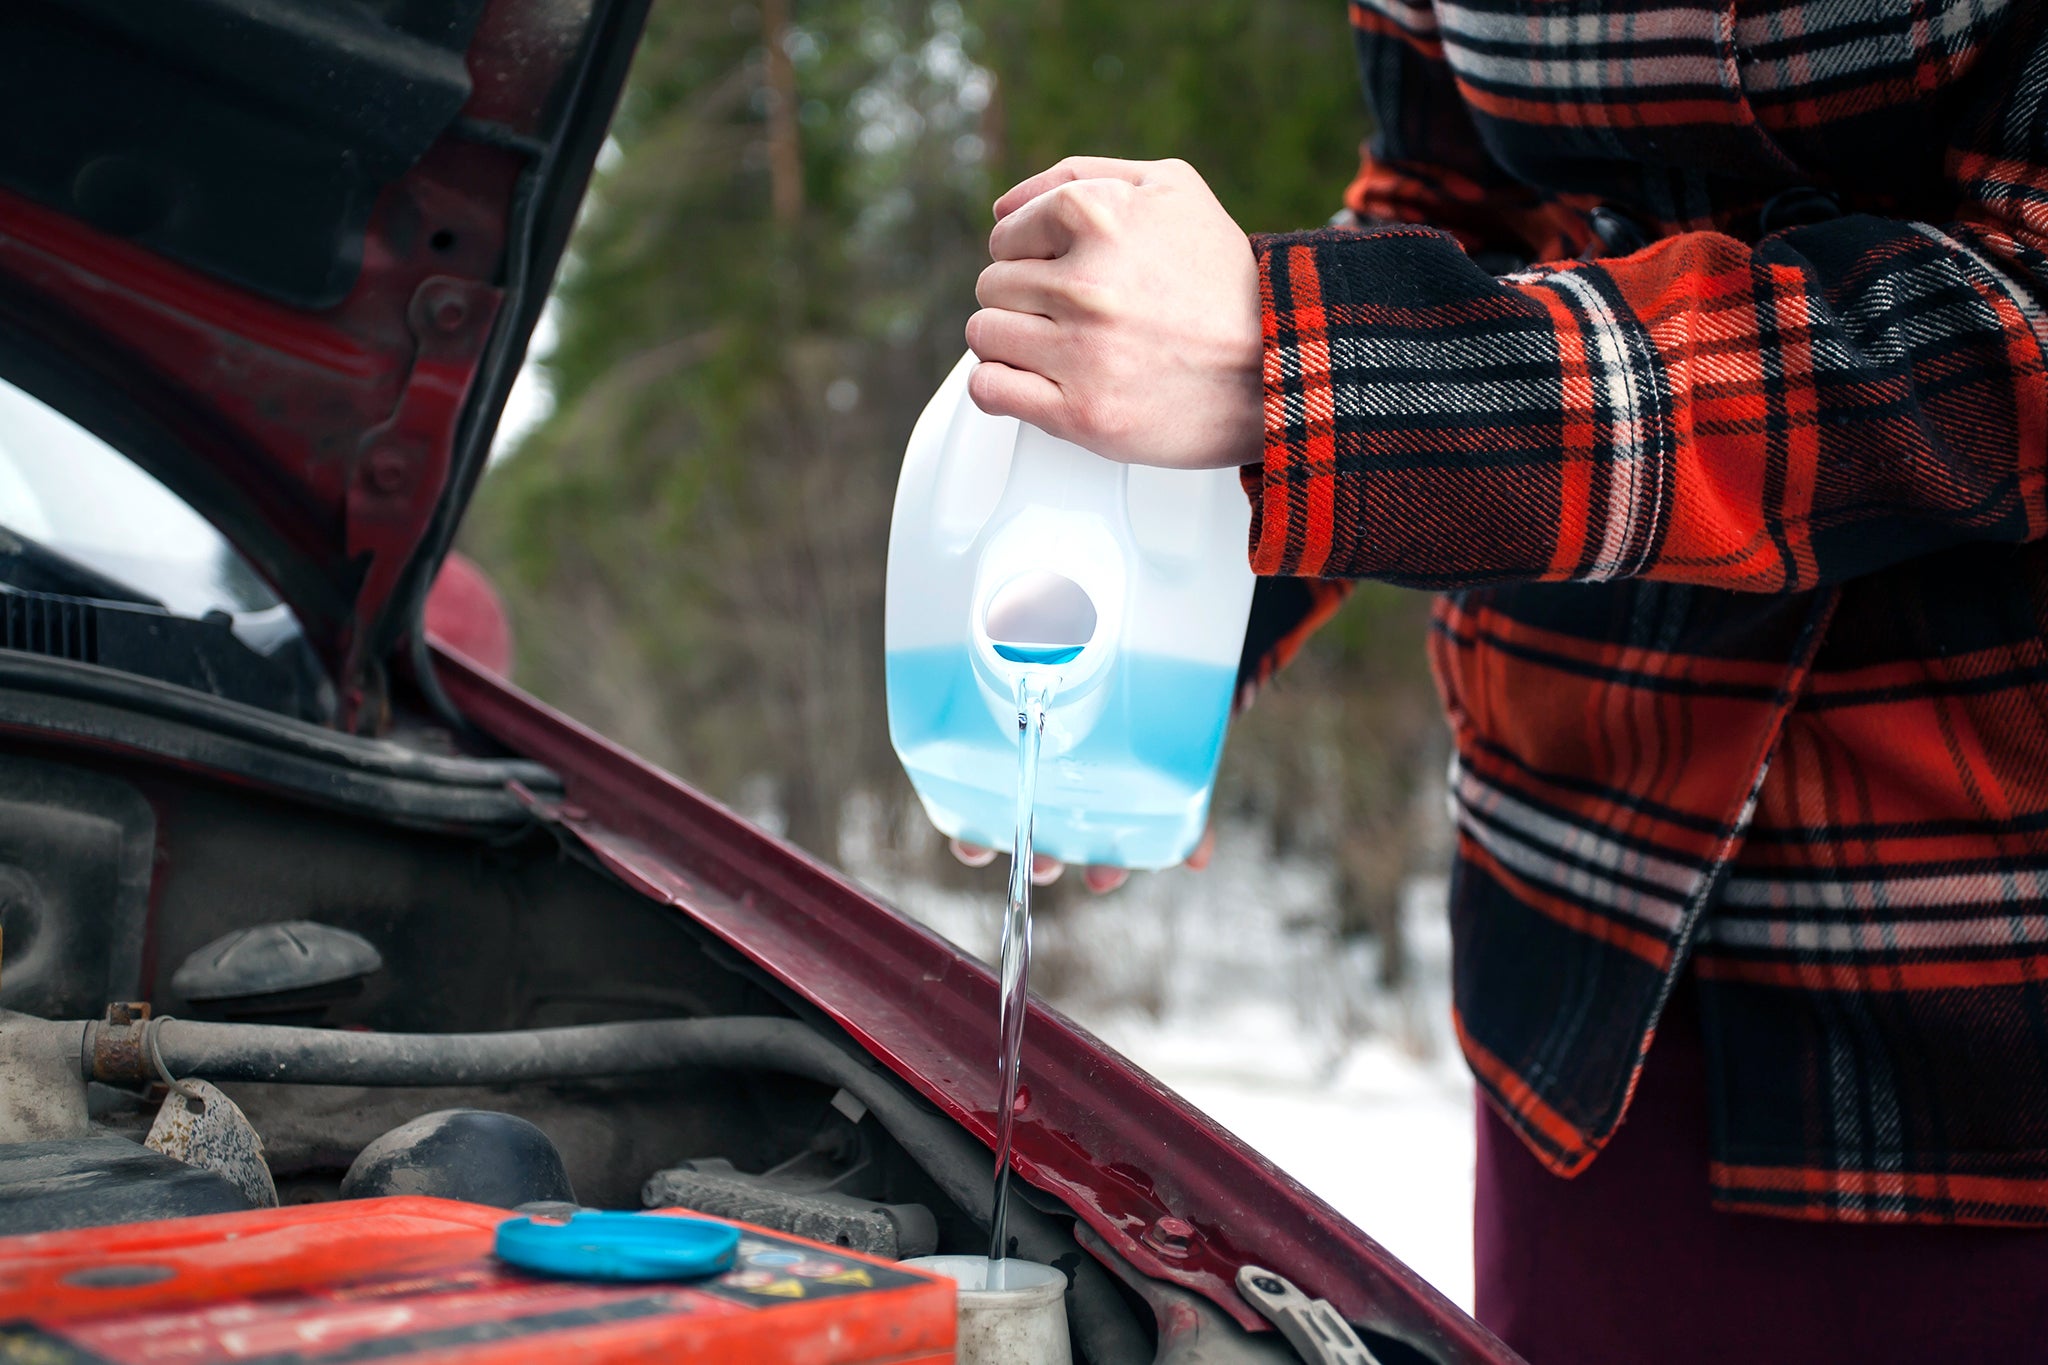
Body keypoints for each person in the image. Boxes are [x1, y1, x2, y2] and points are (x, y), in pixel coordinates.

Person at [960, 1, 2048, 1360]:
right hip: (1579, 926)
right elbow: (1455, 204)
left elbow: (2016, 326)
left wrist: (1305, 362)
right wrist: (1172, 609)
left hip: (1977, 974)